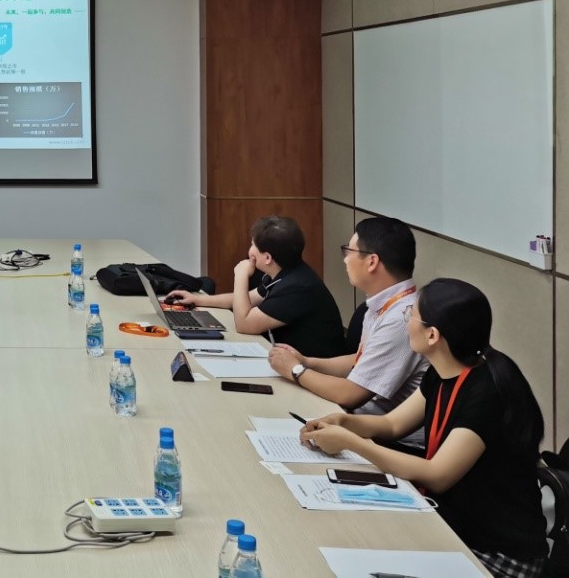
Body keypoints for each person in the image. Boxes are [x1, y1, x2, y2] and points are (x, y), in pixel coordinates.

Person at [300, 278, 547, 577]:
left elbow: (437, 475)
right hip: (455, 522)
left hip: (497, 552)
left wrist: (351, 442)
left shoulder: (486, 392)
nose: (406, 323)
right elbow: (392, 424)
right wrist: (343, 422)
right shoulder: (443, 372)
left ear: (432, 335)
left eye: (411, 316)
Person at [268, 217, 426, 440]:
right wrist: (307, 362)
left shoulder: (403, 318)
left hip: (388, 439)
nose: (345, 260)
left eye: (349, 251)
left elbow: (351, 394)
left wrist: (296, 371)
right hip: (358, 420)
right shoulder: (384, 303)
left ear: (372, 262)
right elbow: (360, 359)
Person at [165, 215, 345, 357]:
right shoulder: (283, 272)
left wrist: (240, 276)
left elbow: (244, 324)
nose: (250, 250)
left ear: (267, 257)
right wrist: (197, 299)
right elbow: (247, 299)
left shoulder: (298, 287)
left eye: (253, 245)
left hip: (314, 371)